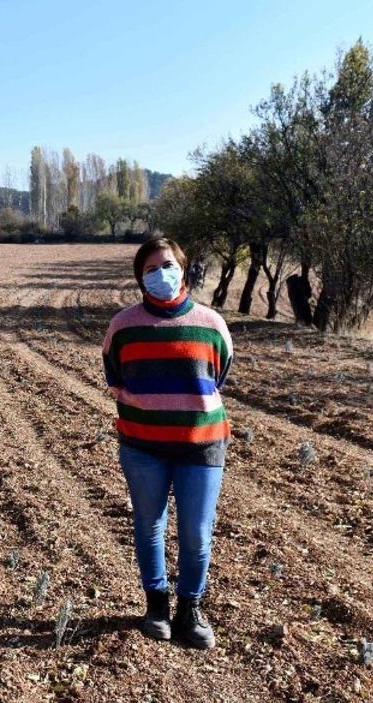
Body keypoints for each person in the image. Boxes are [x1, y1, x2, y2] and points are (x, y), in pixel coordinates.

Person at [101, 237, 233, 649]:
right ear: (140, 277)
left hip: (202, 446)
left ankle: (189, 609)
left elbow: (219, 374)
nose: (162, 274)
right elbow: (115, 377)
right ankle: (155, 604)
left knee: (196, 532)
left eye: (169, 264)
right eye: (152, 268)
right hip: (143, 446)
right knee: (149, 525)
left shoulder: (211, 324)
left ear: (184, 267)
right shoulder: (123, 325)